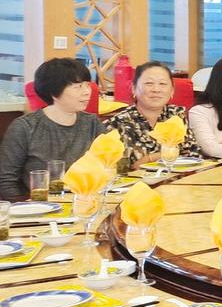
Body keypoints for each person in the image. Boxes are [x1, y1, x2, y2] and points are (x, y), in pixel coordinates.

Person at [0, 58, 100, 200]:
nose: (87, 92)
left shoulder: (92, 123)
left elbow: (107, 165)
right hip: (38, 206)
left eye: (87, 85)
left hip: (85, 201)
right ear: (54, 92)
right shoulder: (25, 127)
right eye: (78, 87)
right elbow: (6, 181)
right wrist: (26, 207)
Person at [104, 61, 202, 169]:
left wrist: (150, 158)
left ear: (172, 91)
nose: (156, 89)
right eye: (149, 83)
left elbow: (194, 156)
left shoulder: (176, 114)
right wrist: (168, 155)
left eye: (163, 84)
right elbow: (122, 169)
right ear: (133, 88)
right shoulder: (118, 123)